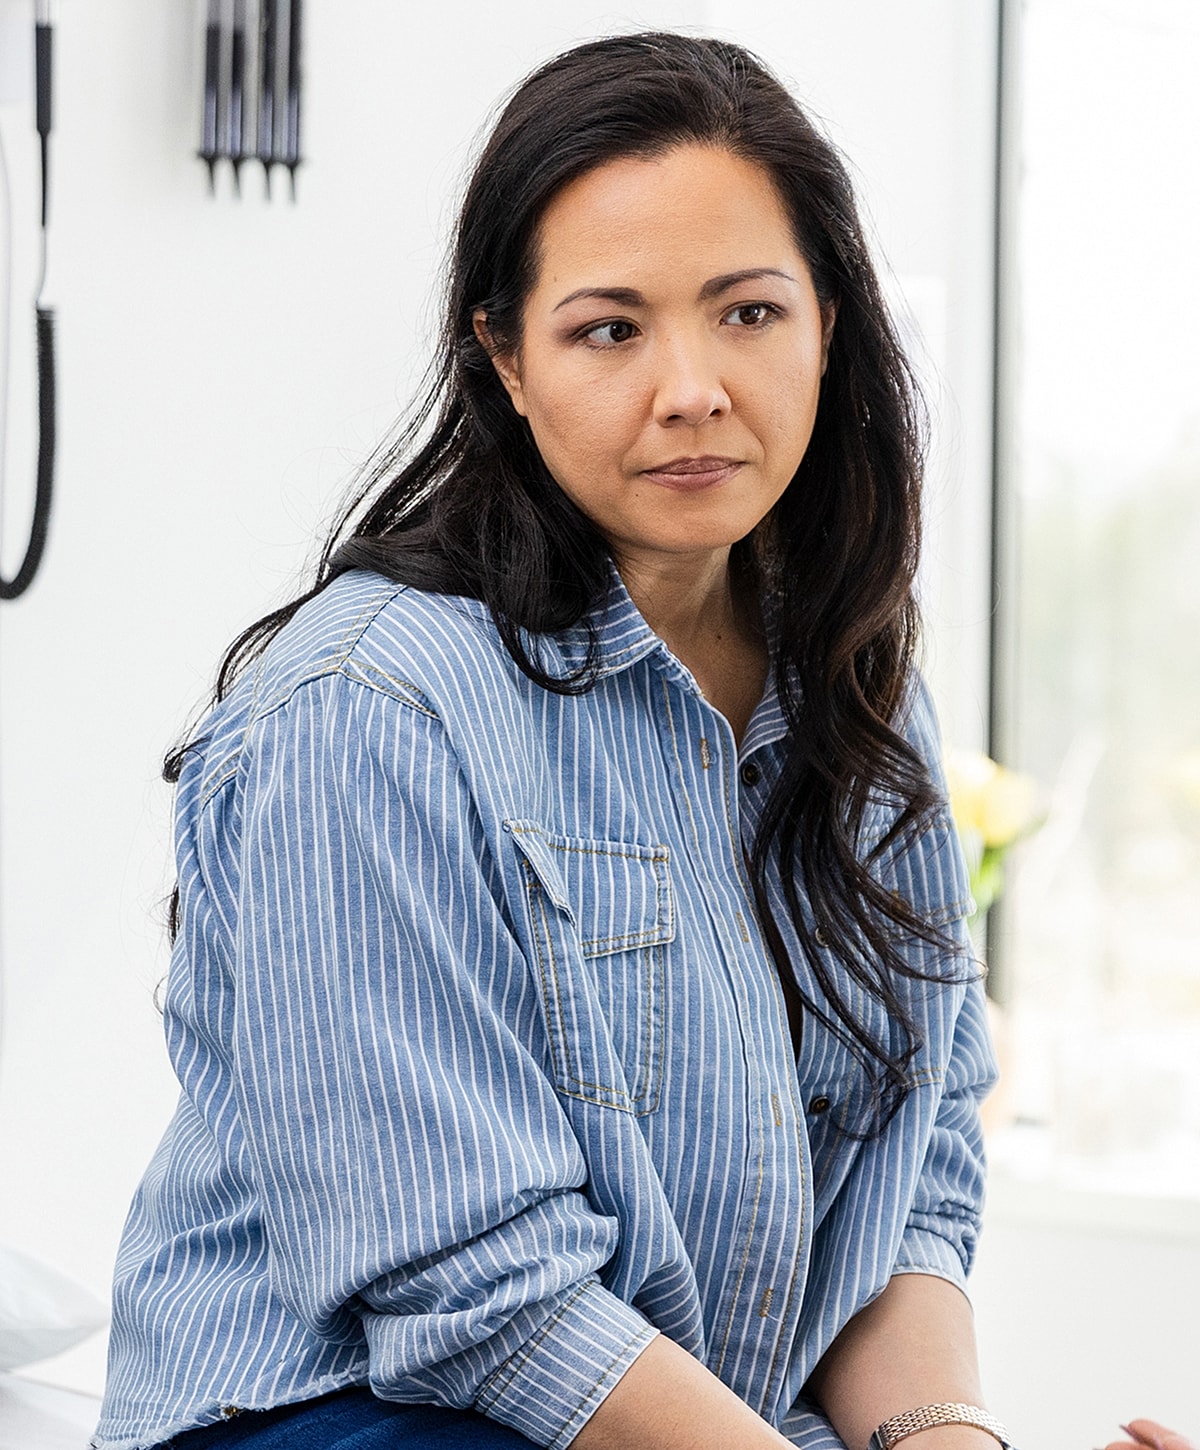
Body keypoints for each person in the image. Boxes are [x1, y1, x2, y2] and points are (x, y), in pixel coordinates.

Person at [95, 32, 1008, 1450]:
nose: (692, 386)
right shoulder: (366, 709)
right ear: (506, 360)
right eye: (609, 328)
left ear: (829, 320)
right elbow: (478, 1290)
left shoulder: (862, 696)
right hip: (359, 1416)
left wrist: (951, 1438)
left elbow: (912, 1179)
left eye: (750, 312)